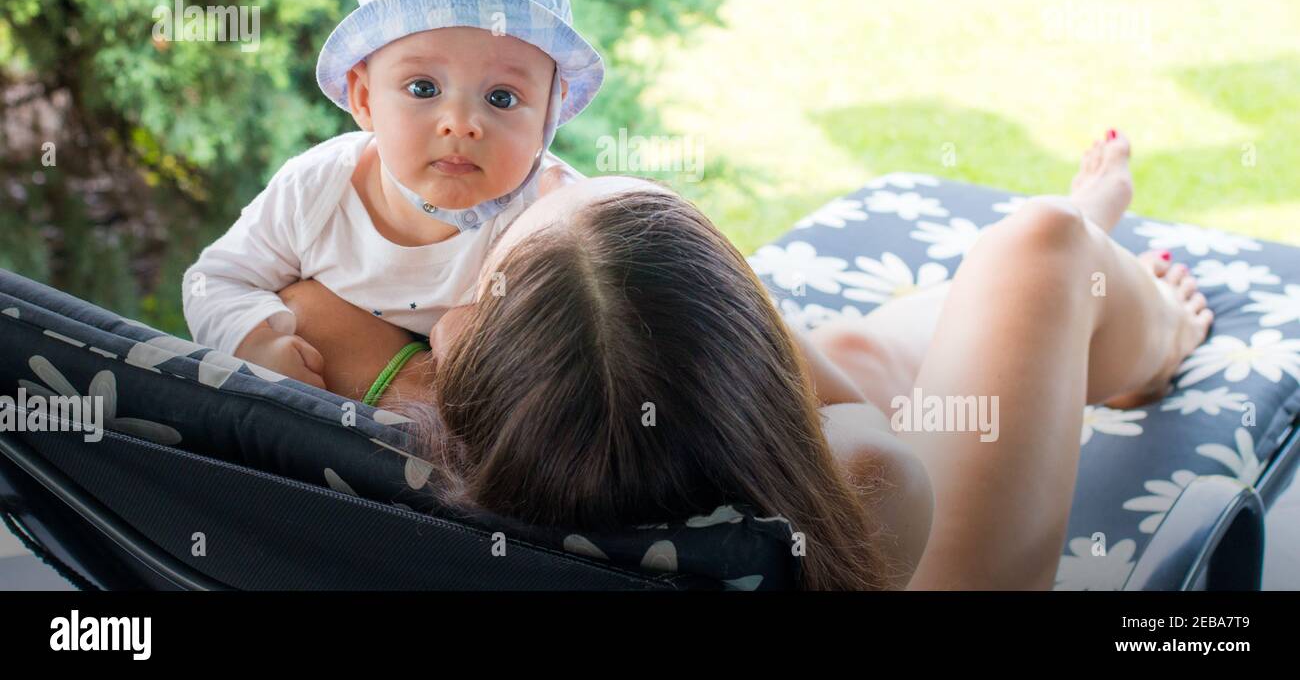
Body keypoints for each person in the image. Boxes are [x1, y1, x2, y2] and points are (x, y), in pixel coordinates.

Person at [279, 128, 1212, 589]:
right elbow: (845, 412)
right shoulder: (872, 479)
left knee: (852, 346)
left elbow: (286, 292)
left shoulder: (418, 450)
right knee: (1039, 247)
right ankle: (1148, 323)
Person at [181, 0, 601, 391]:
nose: (461, 124)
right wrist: (254, 340)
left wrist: (461, 339)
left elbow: (587, 363)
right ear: (363, 96)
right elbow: (214, 280)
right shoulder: (316, 190)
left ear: (550, 111)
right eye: (424, 88)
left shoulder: (552, 221)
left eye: (502, 97)